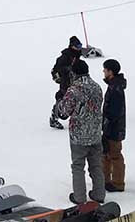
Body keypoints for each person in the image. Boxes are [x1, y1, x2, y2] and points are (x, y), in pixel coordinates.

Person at [54, 60, 105, 205]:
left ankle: (80, 197)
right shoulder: (97, 87)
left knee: (78, 166)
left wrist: (59, 101)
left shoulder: (74, 90)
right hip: (95, 133)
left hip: (79, 136)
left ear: (73, 73)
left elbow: (64, 112)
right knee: (96, 165)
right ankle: (99, 193)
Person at [101, 59, 126, 193]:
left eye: (105, 69)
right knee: (106, 154)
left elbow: (114, 112)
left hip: (114, 129)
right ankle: (106, 179)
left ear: (110, 72)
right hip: (111, 128)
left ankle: (117, 182)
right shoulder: (114, 86)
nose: (103, 72)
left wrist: (106, 123)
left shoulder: (115, 88)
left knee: (115, 155)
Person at [50, 37, 83, 129]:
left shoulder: (77, 55)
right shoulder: (65, 56)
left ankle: (75, 120)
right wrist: (67, 70)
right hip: (66, 81)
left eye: (80, 45)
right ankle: (54, 118)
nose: (80, 48)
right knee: (62, 99)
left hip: (76, 81)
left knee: (76, 100)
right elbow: (56, 69)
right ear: (72, 46)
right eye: (78, 46)